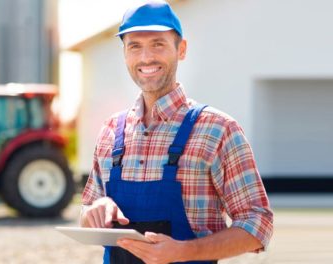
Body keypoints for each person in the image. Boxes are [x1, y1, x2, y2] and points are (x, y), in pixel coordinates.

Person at [80, 1, 273, 263]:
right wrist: (96, 209)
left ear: (181, 49)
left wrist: (184, 251)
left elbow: (258, 225)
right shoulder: (112, 130)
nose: (146, 57)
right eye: (135, 46)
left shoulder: (218, 130)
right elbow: (87, 211)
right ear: (125, 54)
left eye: (158, 44)